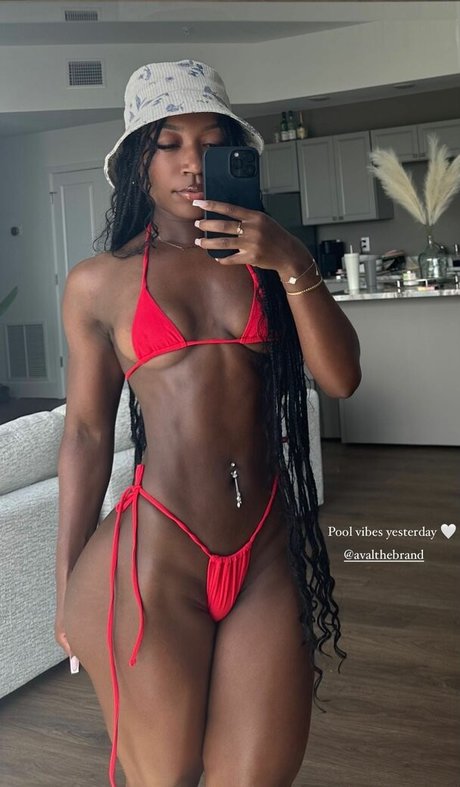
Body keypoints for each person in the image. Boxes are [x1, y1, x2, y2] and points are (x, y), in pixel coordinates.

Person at [55, 59, 361, 787]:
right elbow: (87, 435)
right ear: (139, 161)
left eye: (211, 142)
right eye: (170, 144)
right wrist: (64, 585)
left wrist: (290, 258)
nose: (192, 163)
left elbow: (340, 378)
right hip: (154, 557)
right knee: (166, 778)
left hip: (264, 548)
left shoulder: (267, 261)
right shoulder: (99, 282)